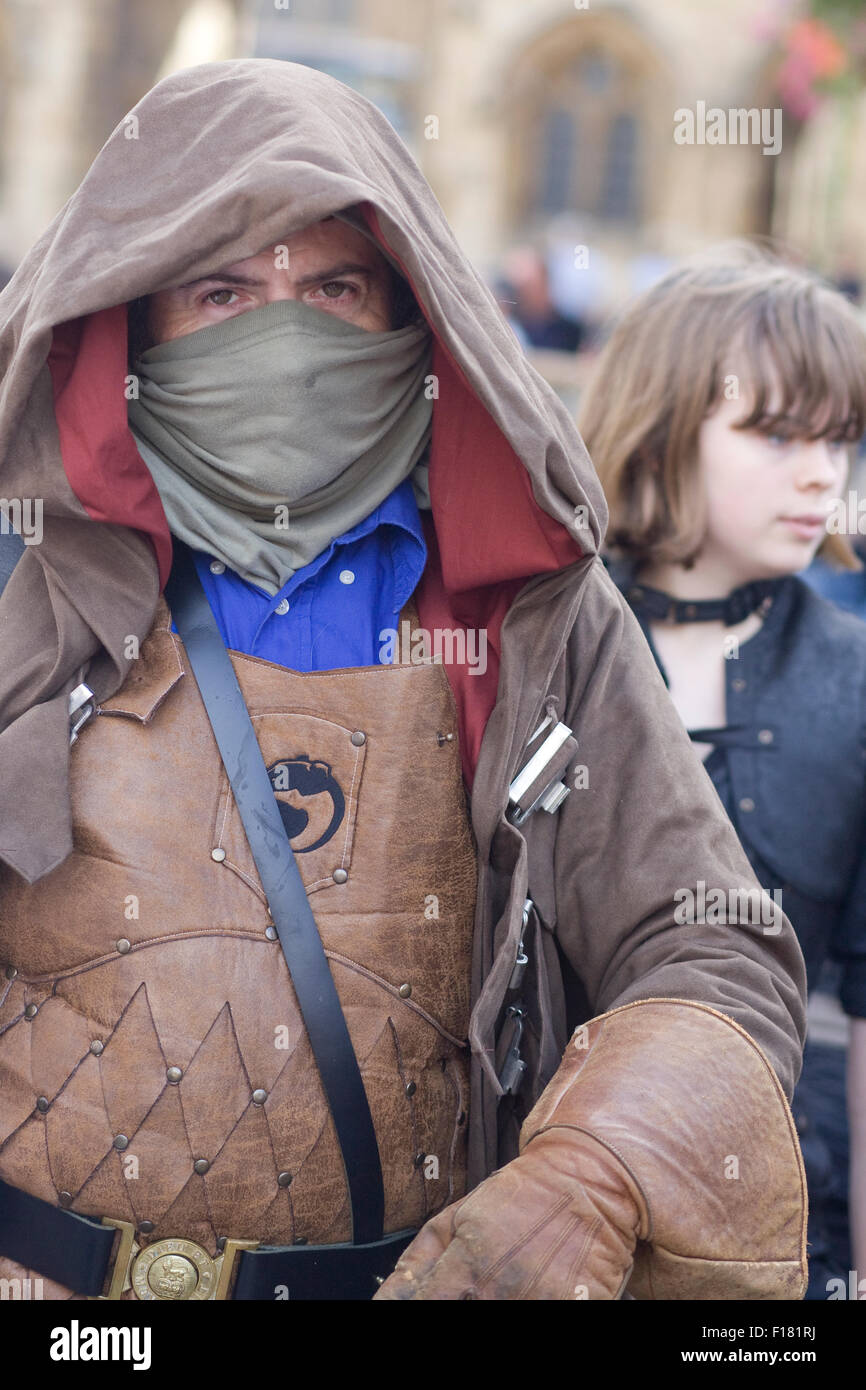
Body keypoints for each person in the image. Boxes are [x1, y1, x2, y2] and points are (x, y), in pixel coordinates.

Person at [0, 61, 807, 1303]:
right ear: (135, 324)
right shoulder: (25, 577)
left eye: (332, 288)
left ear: (408, 317)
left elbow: (710, 944)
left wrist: (591, 1175)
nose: (284, 331)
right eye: (222, 290)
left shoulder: (523, 609)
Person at [580, 242, 866, 1300]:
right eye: (775, 434)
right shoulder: (535, 638)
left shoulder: (853, 681)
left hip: (777, 1234)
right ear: (662, 427)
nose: (819, 475)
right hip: (527, 1206)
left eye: (837, 440)